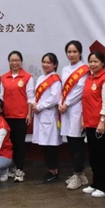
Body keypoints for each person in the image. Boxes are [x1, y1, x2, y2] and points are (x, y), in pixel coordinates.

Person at [81, 51, 105, 198]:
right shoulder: (89, 78)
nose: (93, 64)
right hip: (89, 123)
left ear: (102, 63)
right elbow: (86, 101)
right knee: (94, 156)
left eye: (96, 61)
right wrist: (83, 119)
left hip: (101, 124)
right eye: (91, 61)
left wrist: (102, 121)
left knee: (103, 157)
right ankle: (96, 183)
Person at [58, 40, 89, 190]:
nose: (71, 54)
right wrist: (61, 102)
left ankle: (78, 174)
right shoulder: (65, 69)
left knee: (78, 144)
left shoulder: (84, 69)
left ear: (80, 52)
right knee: (71, 142)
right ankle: (80, 175)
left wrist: (67, 103)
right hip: (66, 109)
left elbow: (80, 90)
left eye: (74, 51)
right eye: (69, 52)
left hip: (77, 108)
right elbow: (63, 88)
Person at [0, 50, 34, 182]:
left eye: (17, 60)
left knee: (20, 144)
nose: (15, 63)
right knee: (10, 144)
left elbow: (30, 97)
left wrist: (29, 114)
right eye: (12, 60)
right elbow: (1, 97)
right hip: (7, 116)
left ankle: (20, 170)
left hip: (21, 117)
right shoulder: (4, 77)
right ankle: (12, 168)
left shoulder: (27, 77)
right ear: (9, 62)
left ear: (21, 62)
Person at [31, 53, 62, 183]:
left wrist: (39, 106)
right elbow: (35, 95)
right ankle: (50, 169)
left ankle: (54, 171)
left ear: (54, 65)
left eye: (49, 62)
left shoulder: (55, 80)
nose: (45, 65)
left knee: (51, 145)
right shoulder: (41, 78)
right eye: (44, 62)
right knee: (44, 144)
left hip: (49, 114)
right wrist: (34, 104)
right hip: (40, 114)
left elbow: (54, 98)